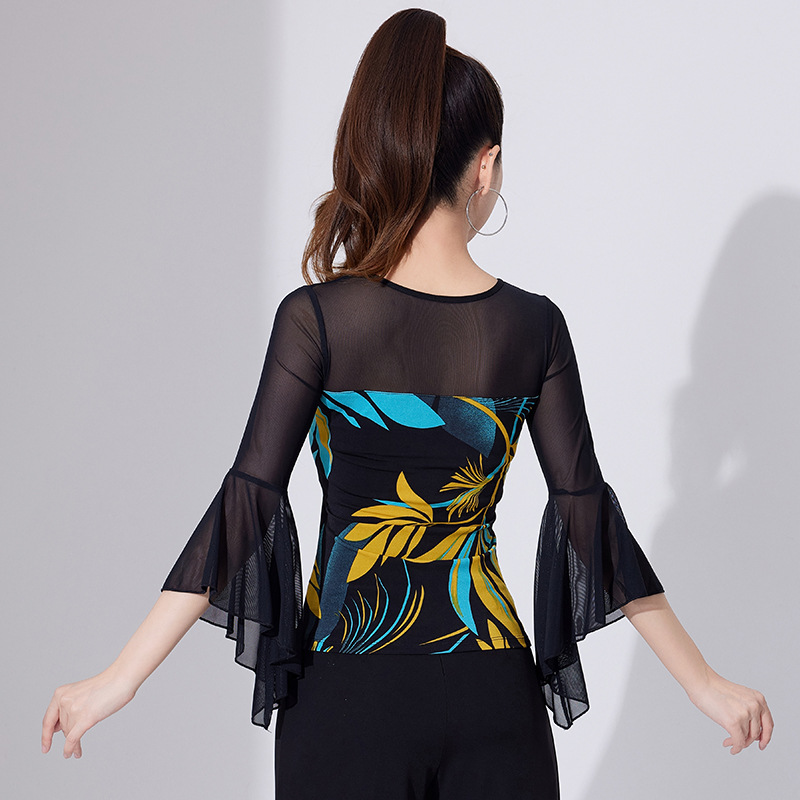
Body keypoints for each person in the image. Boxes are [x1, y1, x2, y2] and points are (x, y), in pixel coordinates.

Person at [41, 8, 773, 799]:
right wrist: (705, 684)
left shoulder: (319, 319)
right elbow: (586, 512)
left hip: (344, 694)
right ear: (485, 167)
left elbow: (247, 501)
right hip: (491, 690)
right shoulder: (532, 327)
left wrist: (118, 680)